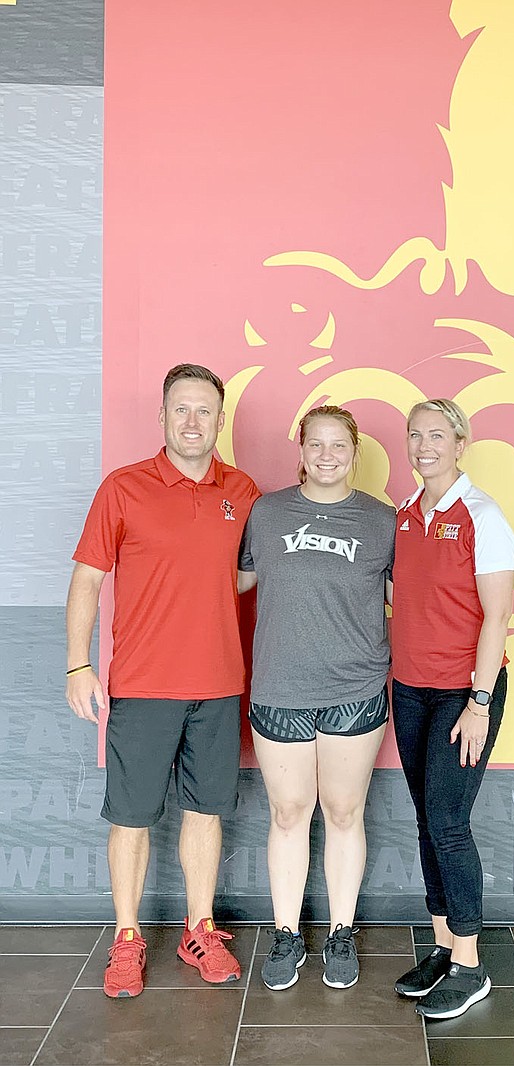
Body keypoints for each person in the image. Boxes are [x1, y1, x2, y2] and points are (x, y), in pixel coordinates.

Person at [65, 363, 260, 998]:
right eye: (182, 409)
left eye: (205, 410)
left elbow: (248, 572)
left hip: (220, 681)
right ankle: (126, 939)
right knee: (131, 816)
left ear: (220, 420)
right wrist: (79, 663)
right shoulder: (123, 489)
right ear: (163, 418)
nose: (194, 421)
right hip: (143, 685)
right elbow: (89, 579)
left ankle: (198, 929)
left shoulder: (244, 490)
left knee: (206, 812)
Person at [237, 405, 394, 991]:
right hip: (280, 688)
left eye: (339, 447)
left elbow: (409, 599)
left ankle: (341, 930)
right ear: (300, 452)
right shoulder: (267, 513)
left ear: (355, 455)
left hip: (354, 688)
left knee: (344, 811)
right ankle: (285, 933)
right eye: (316, 445)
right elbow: (232, 580)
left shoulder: (382, 521)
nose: (327, 456)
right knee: (287, 813)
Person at [389, 398, 514, 1020]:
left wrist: (480, 702)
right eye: (415, 436)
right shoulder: (406, 514)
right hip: (409, 690)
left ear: (460, 443)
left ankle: (469, 964)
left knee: (448, 822)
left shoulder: (482, 516)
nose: (424, 446)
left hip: (463, 695)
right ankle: (443, 947)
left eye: (437, 435)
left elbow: (497, 616)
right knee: (425, 820)